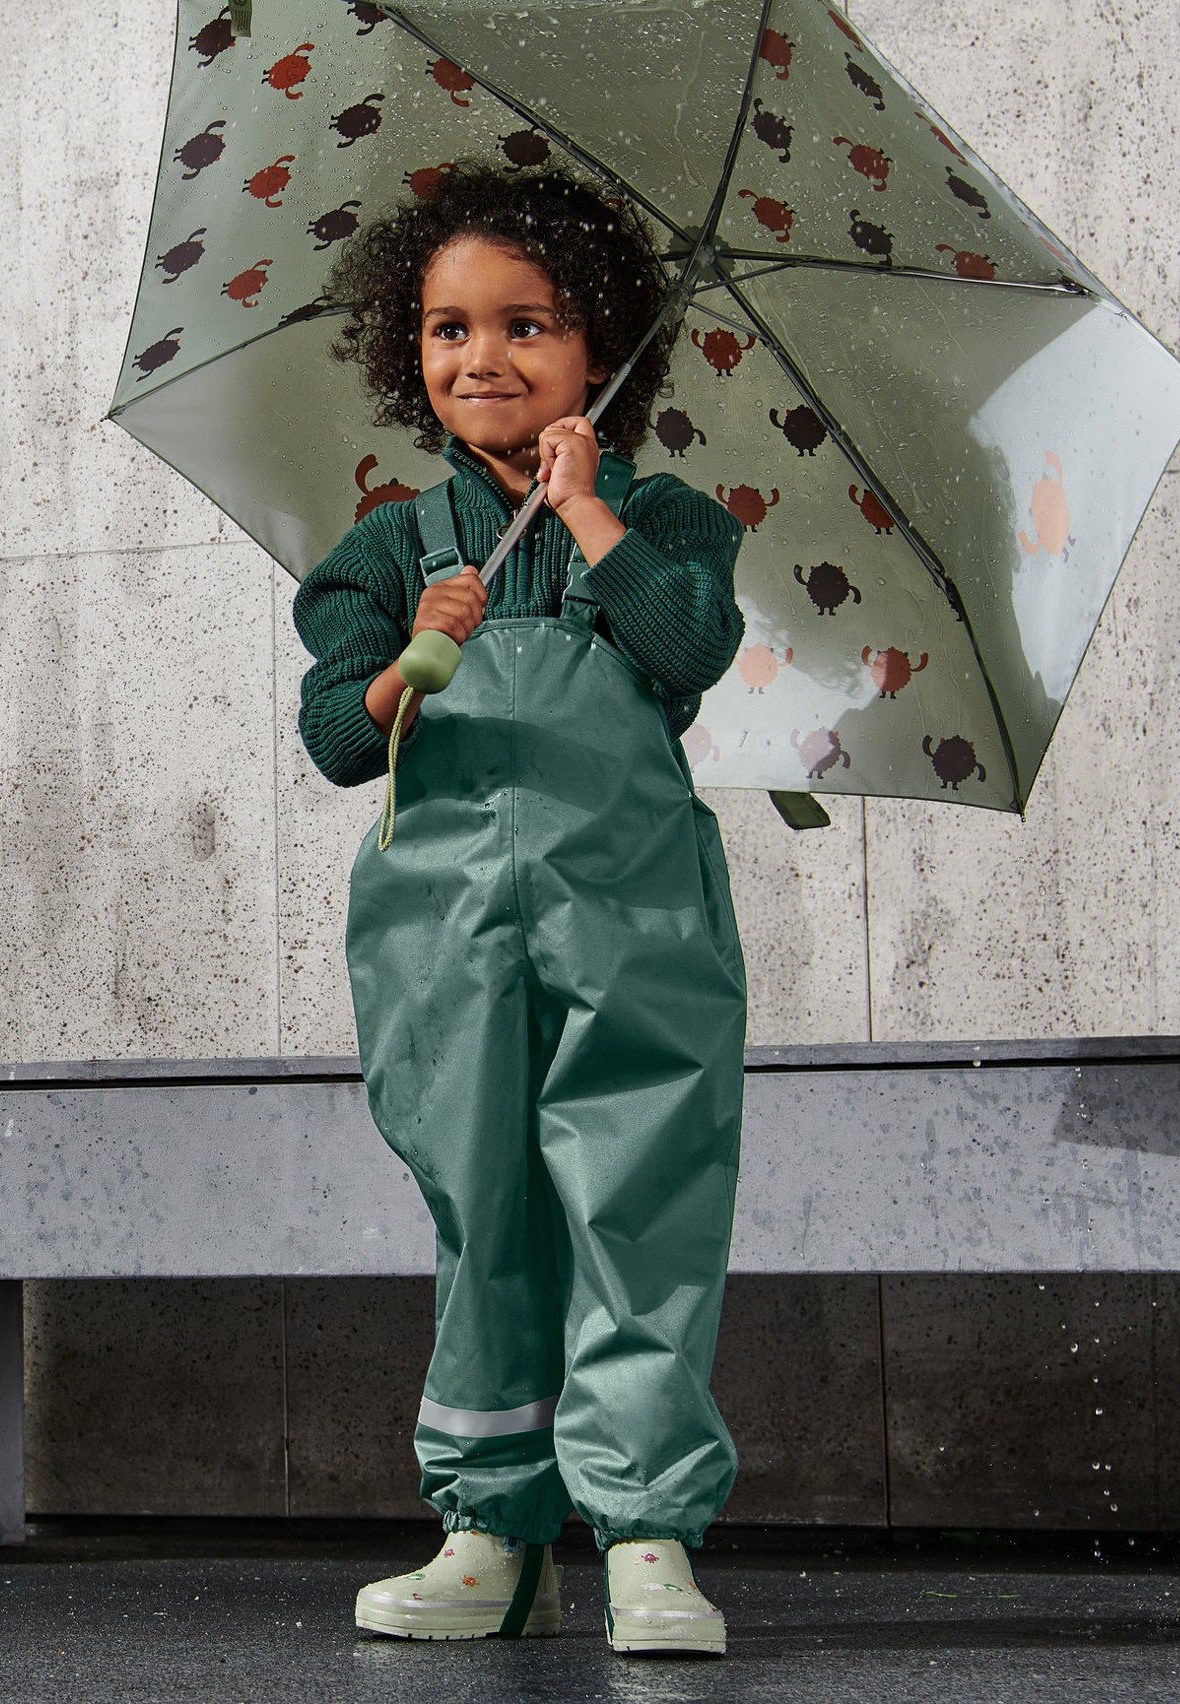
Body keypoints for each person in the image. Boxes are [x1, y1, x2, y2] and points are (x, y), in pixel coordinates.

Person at [291, 166, 748, 1654]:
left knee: (637, 1200)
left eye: (526, 325)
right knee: (482, 1209)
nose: (480, 357)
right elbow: (340, 741)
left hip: (632, 922)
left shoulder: (665, 520)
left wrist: (594, 517)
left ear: (600, 349)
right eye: (445, 330)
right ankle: (490, 1521)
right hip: (445, 930)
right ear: (405, 354)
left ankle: (647, 1531)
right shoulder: (389, 548)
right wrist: (409, 655)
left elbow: (690, 651)